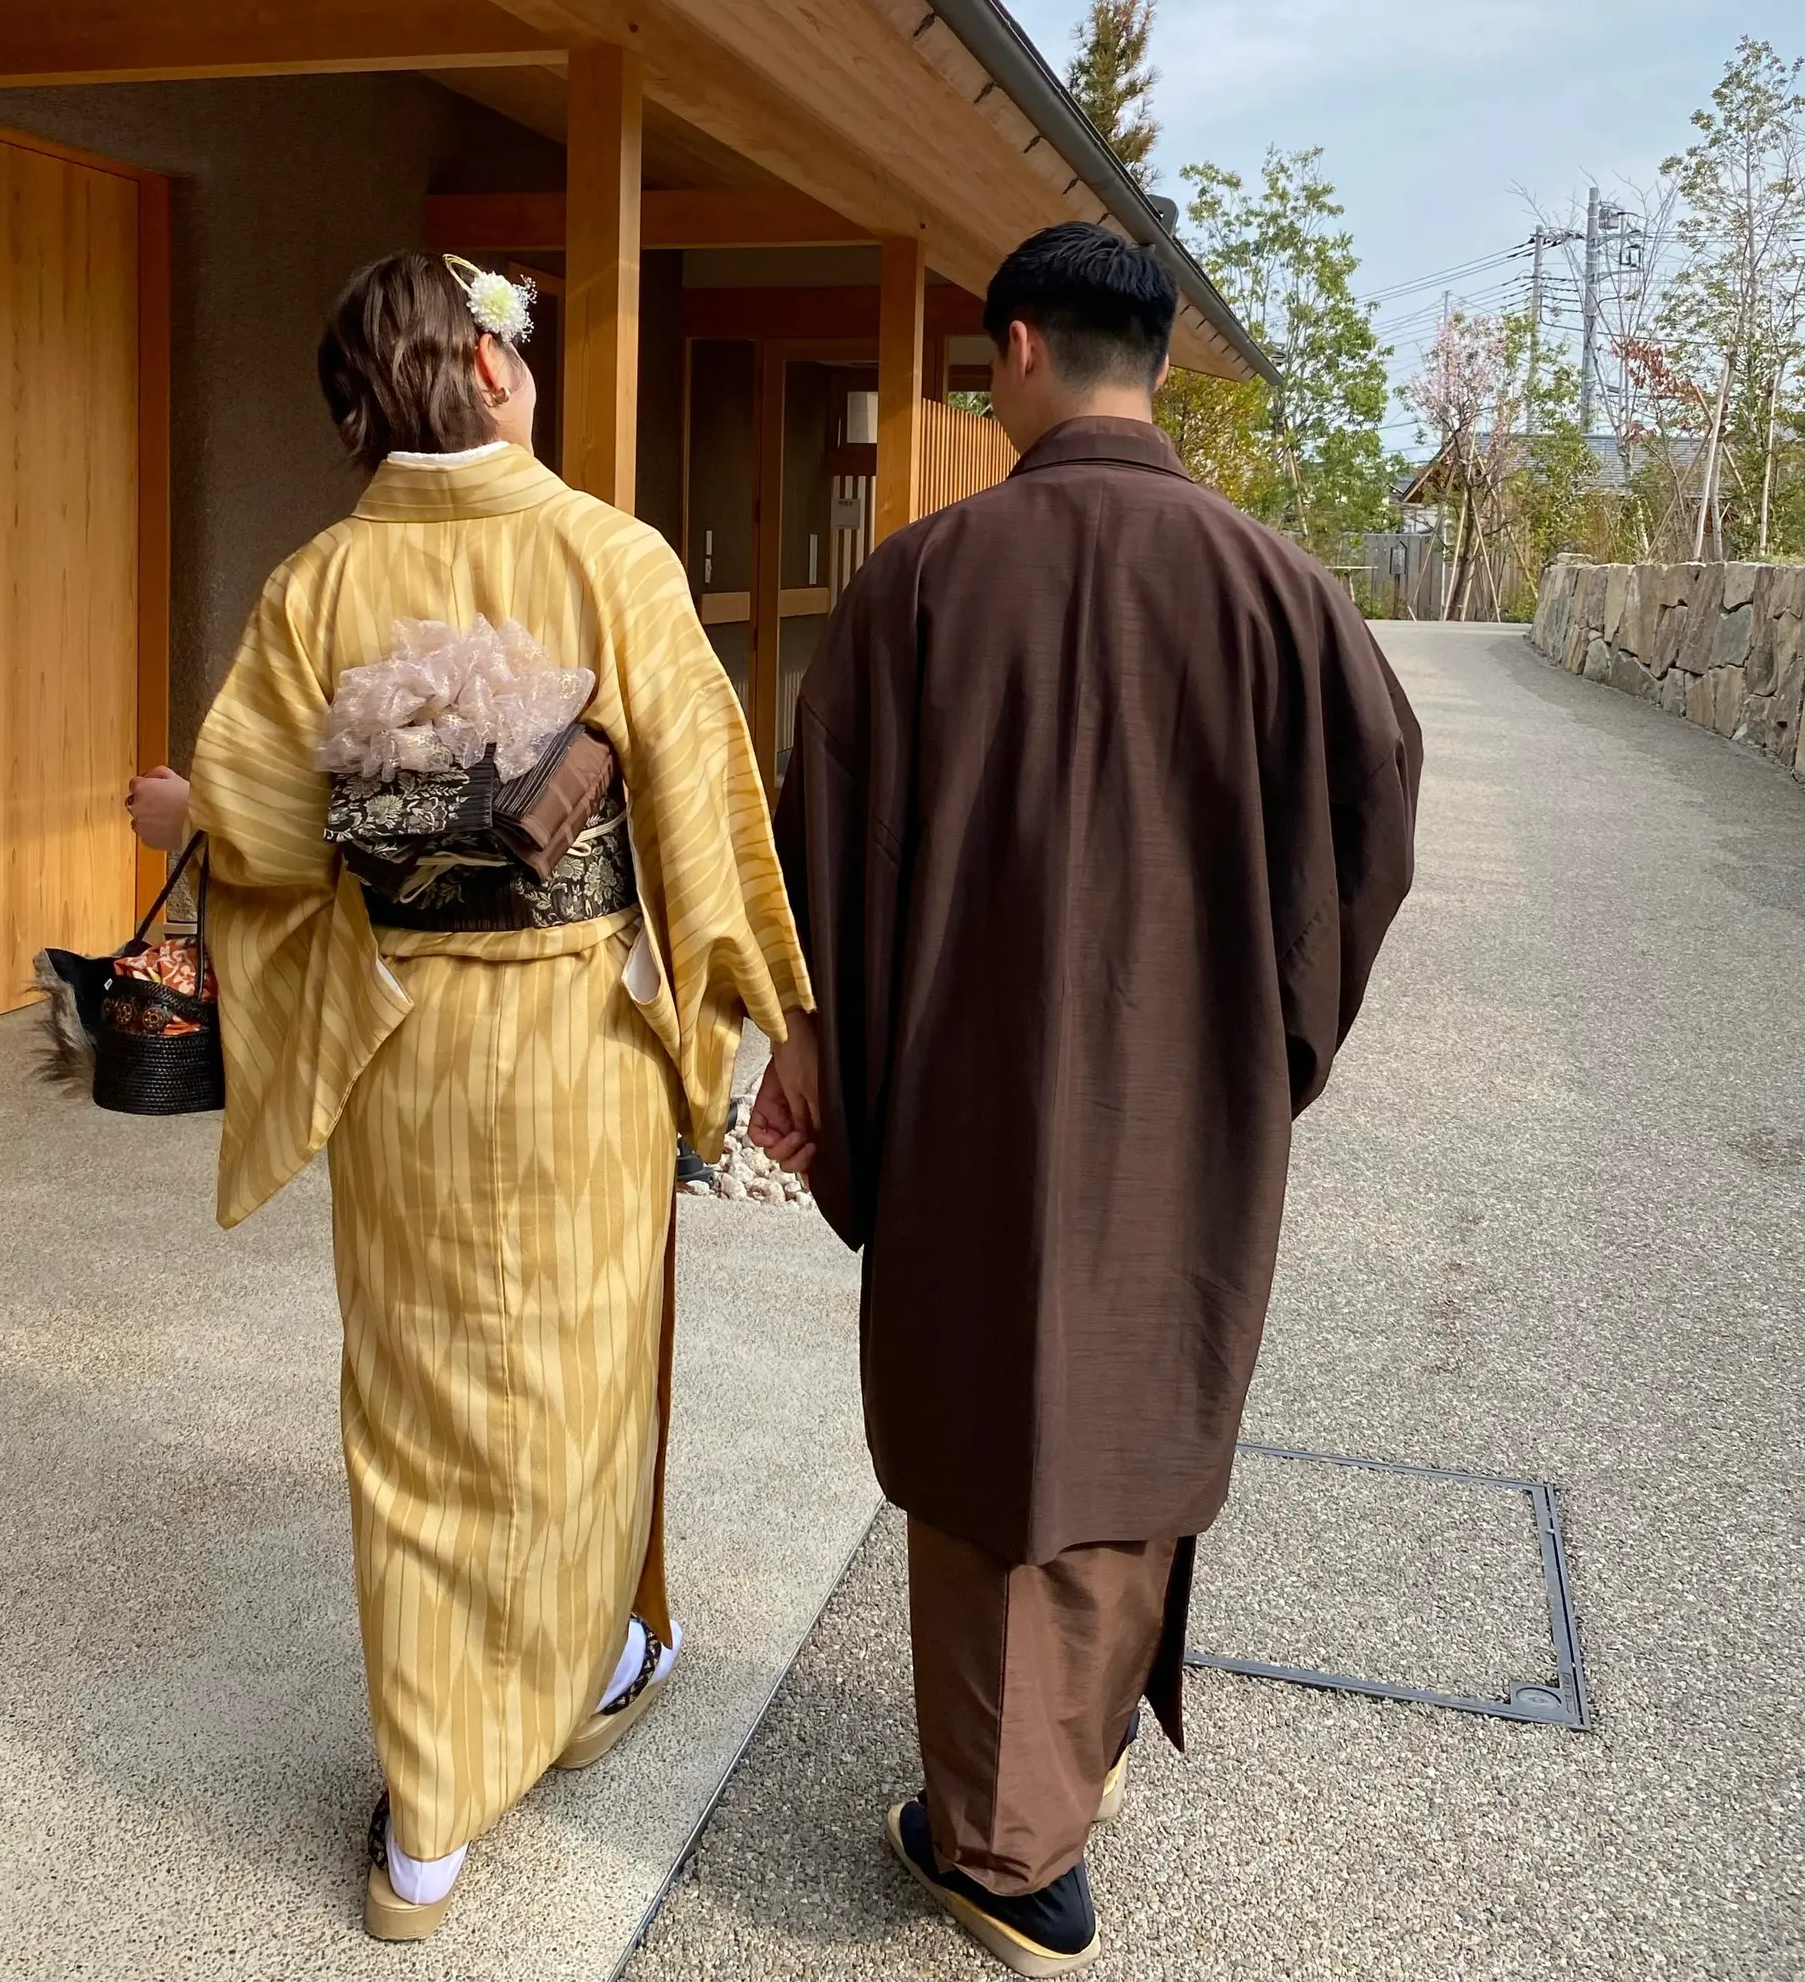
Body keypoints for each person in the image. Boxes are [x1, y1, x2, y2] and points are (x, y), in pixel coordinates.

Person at [751, 222, 1421, 1978]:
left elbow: (821, 844)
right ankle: (1077, 1751)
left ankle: (1003, 1850)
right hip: (1186, 1087)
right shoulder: (1282, 588)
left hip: (974, 1084)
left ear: (1025, 350)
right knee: (1134, 1391)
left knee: (989, 1423)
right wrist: (1280, 1036)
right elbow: (1378, 813)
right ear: (1158, 356)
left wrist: (824, 1043)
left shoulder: (920, 582)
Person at [135, 251, 810, 1942]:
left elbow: (274, 827)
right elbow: (708, 826)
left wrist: (187, 824)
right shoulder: (610, 554)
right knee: (578, 1385)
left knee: (418, 1411)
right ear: (493, 376)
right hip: (577, 1048)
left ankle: (427, 1823)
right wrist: (745, 1015)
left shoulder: (314, 585)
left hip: (406, 1055)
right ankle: (579, 1684)